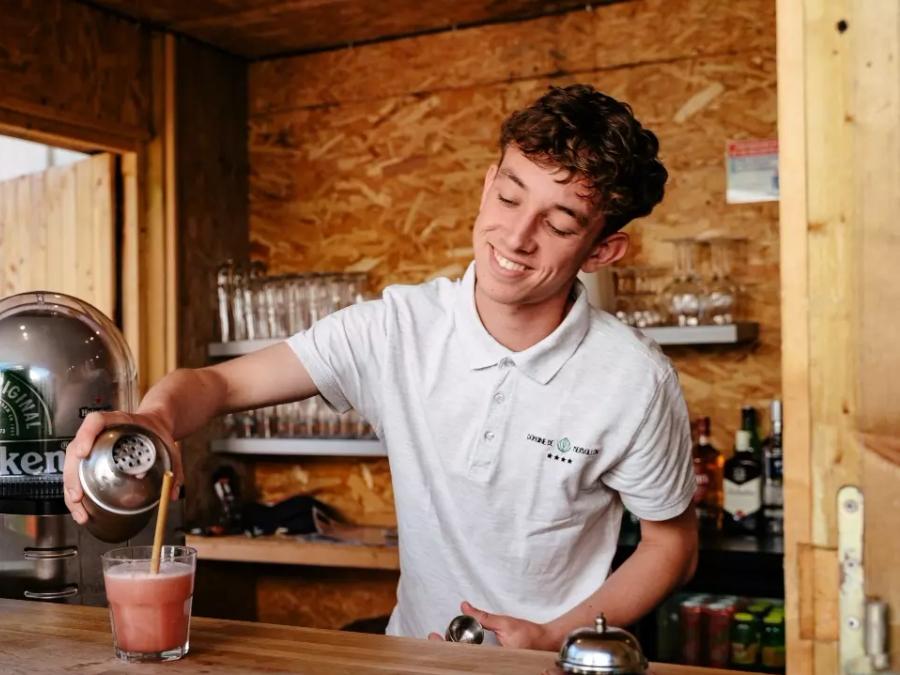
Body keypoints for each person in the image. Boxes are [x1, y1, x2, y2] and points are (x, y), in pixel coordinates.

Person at [63, 84, 697, 651]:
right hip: (410, 655)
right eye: (509, 197)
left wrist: (554, 637)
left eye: (557, 225)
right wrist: (153, 418)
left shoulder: (634, 380)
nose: (516, 235)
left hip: (547, 666)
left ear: (602, 249)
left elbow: (672, 546)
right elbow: (218, 383)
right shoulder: (396, 328)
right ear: (487, 185)